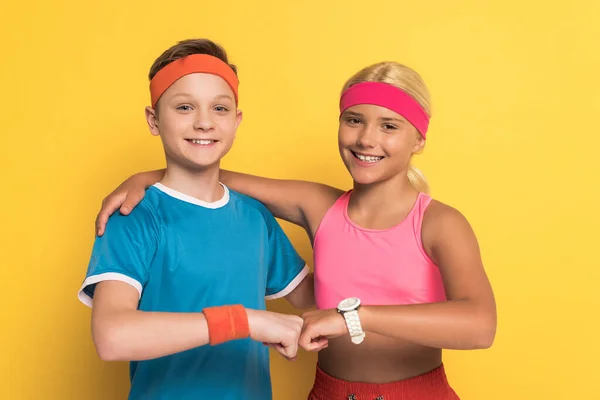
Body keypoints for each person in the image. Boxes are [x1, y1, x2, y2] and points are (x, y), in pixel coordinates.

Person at [96, 60, 497, 399]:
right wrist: (148, 177)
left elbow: (480, 324)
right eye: (354, 120)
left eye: (389, 126)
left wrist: (355, 318)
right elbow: (210, 172)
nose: (367, 138)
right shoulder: (318, 206)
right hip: (328, 390)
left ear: (419, 139)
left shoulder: (440, 223)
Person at [78, 38, 314, 400]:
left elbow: (315, 297)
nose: (204, 122)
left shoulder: (255, 217)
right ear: (153, 120)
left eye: (219, 109)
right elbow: (112, 336)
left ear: (236, 122)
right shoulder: (135, 216)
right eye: (185, 107)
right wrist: (244, 321)